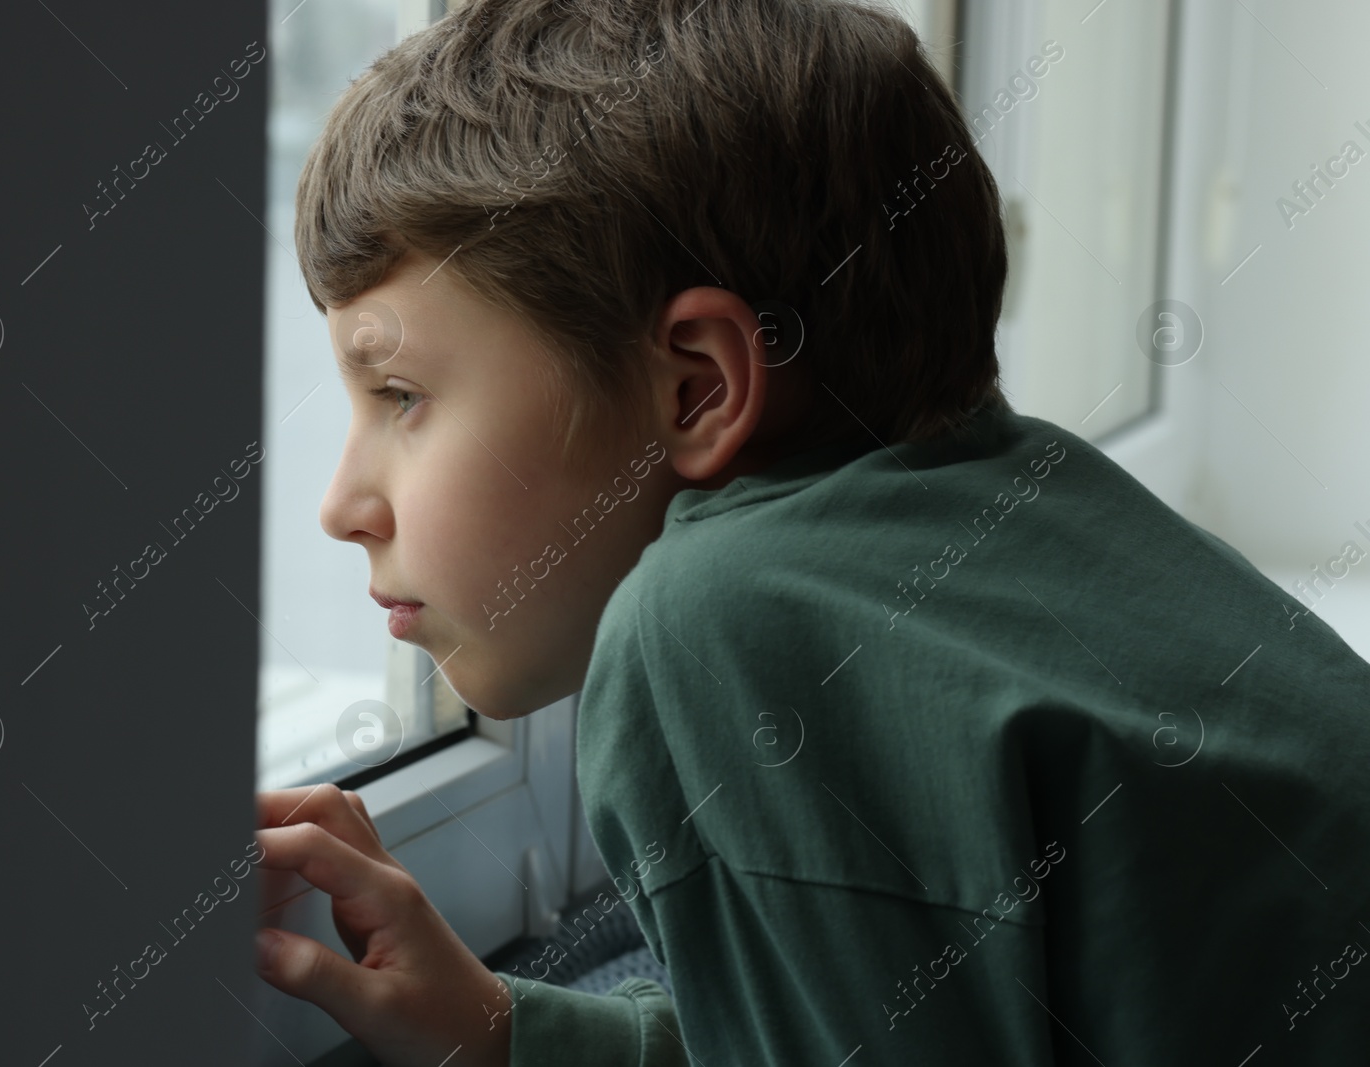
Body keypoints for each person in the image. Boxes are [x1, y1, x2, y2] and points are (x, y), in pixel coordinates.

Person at [251, 0, 1370, 1063]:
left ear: (695, 388)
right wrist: (506, 1033)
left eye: (398, 394)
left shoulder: (720, 620)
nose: (341, 503)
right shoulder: (1029, 498)